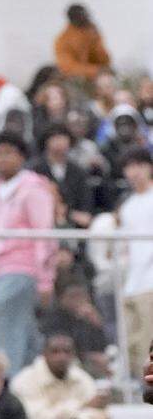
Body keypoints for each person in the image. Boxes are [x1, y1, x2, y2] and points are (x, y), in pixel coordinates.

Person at [0, 132, 56, 376]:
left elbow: (44, 233)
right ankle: (31, 384)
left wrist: (45, 279)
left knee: (8, 333)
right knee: (24, 333)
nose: (1, 159)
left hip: (21, 267)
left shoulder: (33, 188)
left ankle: (7, 383)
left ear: (21, 157)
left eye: (8, 153)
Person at [10, 333, 107, 419]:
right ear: (44, 354)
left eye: (67, 352)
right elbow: (37, 416)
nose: (62, 357)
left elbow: (98, 413)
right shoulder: (25, 380)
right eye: (55, 352)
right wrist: (80, 407)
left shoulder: (81, 378)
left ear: (73, 355)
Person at [118, 146, 153, 376]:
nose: (134, 172)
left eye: (139, 165)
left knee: (148, 344)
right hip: (132, 283)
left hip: (151, 282)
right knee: (130, 345)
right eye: (129, 167)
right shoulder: (128, 206)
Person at [31, 124, 95, 228]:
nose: (59, 141)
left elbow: (85, 208)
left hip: (74, 225)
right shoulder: (34, 170)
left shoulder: (78, 171)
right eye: (54, 137)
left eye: (63, 137)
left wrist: (69, 214)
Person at [54, 4, 111, 83]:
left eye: (86, 17)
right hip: (74, 81)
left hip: (95, 78)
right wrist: (96, 70)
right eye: (82, 18)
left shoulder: (91, 33)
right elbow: (68, 68)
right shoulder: (63, 40)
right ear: (74, 20)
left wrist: (95, 40)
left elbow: (105, 61)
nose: (87, 20)